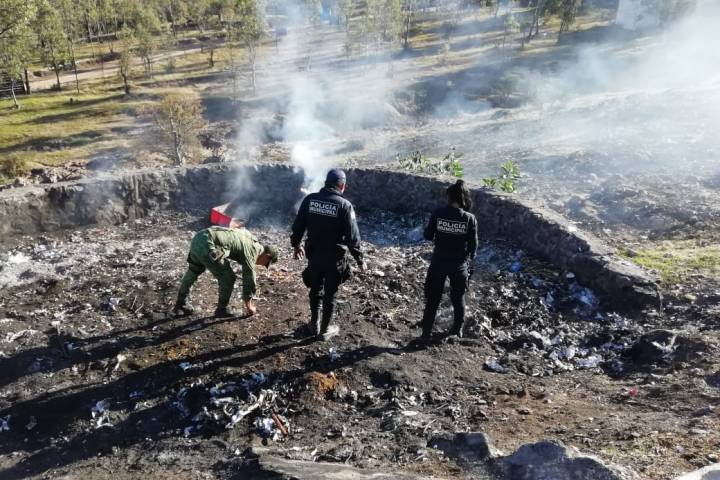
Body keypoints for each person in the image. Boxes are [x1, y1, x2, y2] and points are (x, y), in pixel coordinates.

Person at [291, 169, 365, 341]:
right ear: (342, 185)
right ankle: (324, 331)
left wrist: (296, 245)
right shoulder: (345, 205)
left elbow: (298, 226)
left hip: (315, 256)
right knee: (330, 294)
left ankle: (314, 325)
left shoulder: (310, 200)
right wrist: (360, 260)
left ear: (326, 182)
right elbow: (353, 237)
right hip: (335, 259)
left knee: (315, 290)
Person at [416, 179, 478, 345]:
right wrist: (470, 262)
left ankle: (426, 333)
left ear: (450, 197)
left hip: (438, 264)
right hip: (458, 266)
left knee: (433, 299)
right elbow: (473, 246)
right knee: (458, 298)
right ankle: (457, 330)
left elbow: (428, 236)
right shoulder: (469, 219)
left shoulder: (438, 213)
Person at [173, 226, 278, 318]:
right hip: (209, 244)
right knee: (228, 278)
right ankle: (222, 310)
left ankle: (181, 303)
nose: (262, 265)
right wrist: (249, 305)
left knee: (194, 270)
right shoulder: (253, 250)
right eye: (265, 263)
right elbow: (249, 277)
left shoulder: (249, 237)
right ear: (267, 256)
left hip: (199, 237)